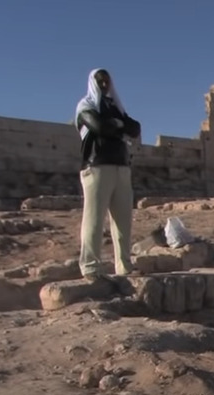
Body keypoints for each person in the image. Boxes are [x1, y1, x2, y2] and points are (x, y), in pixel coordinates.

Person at [75, 68, 142, 281]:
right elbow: (100, 126)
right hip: (97, 166)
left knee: (123, 222)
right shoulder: (86, 106)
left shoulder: (115, 108)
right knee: (94, 220)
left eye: (106, 81)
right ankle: (90, 267)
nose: (104, 84)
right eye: (100, 80)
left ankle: (124, 266)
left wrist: (118, 124)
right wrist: (118, 126)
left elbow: (135, 128)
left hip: (121, 167)